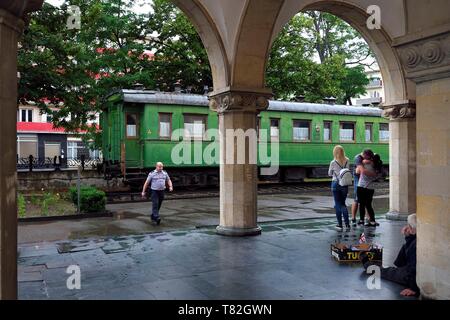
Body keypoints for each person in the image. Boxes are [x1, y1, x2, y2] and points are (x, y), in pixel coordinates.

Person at [360, 214, 420, 297]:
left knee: (387, 272)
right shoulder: (417, 240)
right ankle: (372, 265)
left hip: (409, 276)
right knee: (392, 269)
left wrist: (413, 289)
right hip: (409, 271)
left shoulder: (415, 244)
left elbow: (413, 268)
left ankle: (368, 265)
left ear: (412, 229)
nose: (406, 227)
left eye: (408, 226)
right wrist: (408, 235)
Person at [356, 150, 382, 227]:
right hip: (371, 187)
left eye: (363, 155)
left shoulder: (363, 163)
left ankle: (361, 220)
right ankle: (372, 221)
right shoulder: (376, 164)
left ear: (366, 156)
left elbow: (357, 172)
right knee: (368, 205)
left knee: (361, 204)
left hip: (362, 186)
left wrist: (361, 164)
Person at [328, 145, 351, 231]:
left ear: (335, 152)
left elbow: (329, 174)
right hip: (344, 184)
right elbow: (347, 171)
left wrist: (335, 172)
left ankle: (340, 225)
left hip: (335, 184)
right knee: (343, 204)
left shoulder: (333, 162)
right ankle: (347, 224)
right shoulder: (347, 160)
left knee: (337, 204)